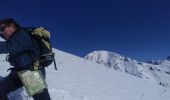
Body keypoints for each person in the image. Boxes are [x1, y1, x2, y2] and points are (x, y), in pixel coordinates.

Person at [0, 18, 51, 100]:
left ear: (12, 26)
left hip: (31, 73)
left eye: (2, 29)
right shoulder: (15, 39)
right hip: (17, 73)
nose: (1, 32)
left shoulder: (21, 34)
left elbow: (7, 47)